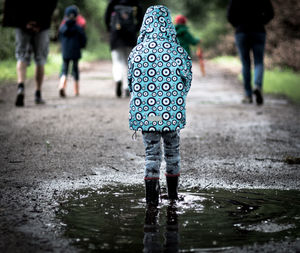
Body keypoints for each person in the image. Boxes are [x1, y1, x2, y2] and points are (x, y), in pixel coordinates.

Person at [128, 6, 192, 206]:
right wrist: (175, 99)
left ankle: (151, 199)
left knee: (151, 155)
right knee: (173, 153)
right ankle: (173, 196)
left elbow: (130, 83)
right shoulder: (178, 51)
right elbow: (187, 81)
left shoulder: (136, 52)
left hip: (148, 116)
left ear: (145, 25)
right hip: (170, 115)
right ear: (168, 26)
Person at [2, 0, 58, 106]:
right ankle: (38, 94)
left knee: (21, 56)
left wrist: (24, 22)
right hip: (42, 24)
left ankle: (21, 87)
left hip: (21, 22)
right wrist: (40, 22)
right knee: (40, 59)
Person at [227, 0, 274, 105]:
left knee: (245, 63)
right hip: (258, 30)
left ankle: (248, 95)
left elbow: (229, 15)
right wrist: (261, 22)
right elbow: (270, 13)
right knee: (258, 62)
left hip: (242, 32)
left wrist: (238, 25)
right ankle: (257, 86)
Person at [105, 0, 143, 98]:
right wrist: (136, 29)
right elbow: (141, 18)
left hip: (116, 35)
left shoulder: (113, 2)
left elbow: (106, 17)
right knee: (128, 62)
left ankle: (118, 79)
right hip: (130, 35)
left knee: (117, 61)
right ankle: (127, 87)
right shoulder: (135, 3)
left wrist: (110, 29)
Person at [58, 6, 87, 97]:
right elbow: (83, 40)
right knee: (75, 70)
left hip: (66, 52)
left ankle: (62, 85)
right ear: (76, 16)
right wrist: (81, 46)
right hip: (75, 52)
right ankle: (76, 90)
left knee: (64, 69)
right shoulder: (79, 28)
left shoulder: (62, 28)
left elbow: (59, 38)